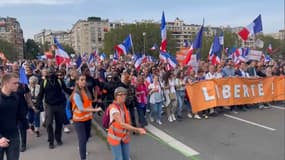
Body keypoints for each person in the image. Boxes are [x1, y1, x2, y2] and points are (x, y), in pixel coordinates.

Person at [36, 68, 72, 149]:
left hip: (59, 105)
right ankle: (51, 141)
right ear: (47, 74)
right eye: (49, 72)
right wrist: (38, 104)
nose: (51, 73)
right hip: (49, 105)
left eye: (52, 72)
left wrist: (75, 91)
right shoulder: (44, 82)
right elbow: (40, 94)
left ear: (55, 73)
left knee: (59, 123)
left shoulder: (59, 81)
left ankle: (58, 138)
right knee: (48, 123)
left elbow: (66, 90)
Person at [107, 87, 146, 160]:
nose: (123, 96)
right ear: (115, 96)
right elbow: (121, 124)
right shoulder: (113, 108)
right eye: (120, 95)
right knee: (119, 158)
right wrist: (137, 129)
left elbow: (127, 120)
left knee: (126, 157)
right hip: (115, 138)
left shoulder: (123, 106)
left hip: (124, 136)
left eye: (124, 94)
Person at [70, 74, 102, 160]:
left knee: (87, 136)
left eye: (84, 80)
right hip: (79, 120)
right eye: (81, 80)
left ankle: (81, 147)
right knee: (82, 139)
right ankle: (83, 157)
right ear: (77, 81)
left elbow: (89, 102)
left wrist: (96, 100)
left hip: (87, 118)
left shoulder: (86, 90)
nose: (84, 81)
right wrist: (95, 110)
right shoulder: (76, 94)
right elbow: (81, 108)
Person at [0, 73, 30, 160]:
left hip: (13, 135)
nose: (18, 85)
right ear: (6, 83)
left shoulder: (16, 97)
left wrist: (27, 126)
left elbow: (20, 114)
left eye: (18, 83)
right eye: (15, 83)